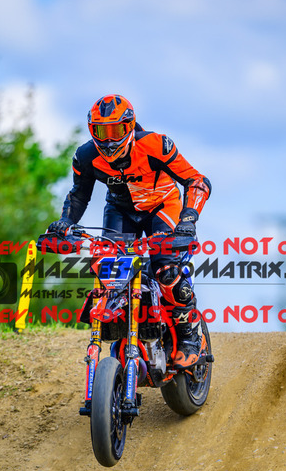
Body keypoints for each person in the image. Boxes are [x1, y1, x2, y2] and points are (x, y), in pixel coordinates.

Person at [49, 94, 211, 369]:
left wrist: (188, 220)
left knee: (166, 269)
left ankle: (189, 335)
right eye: (102, 132)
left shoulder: (156, 145)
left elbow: (197, 180)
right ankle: (125, 334)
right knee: (109, 271)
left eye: (116, 130)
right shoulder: (86, 156)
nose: (109, 140)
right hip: (121, 210)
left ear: (130, 125)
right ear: (92, 131)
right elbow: (79, 195)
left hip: (162, 206)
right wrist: (64, 223)